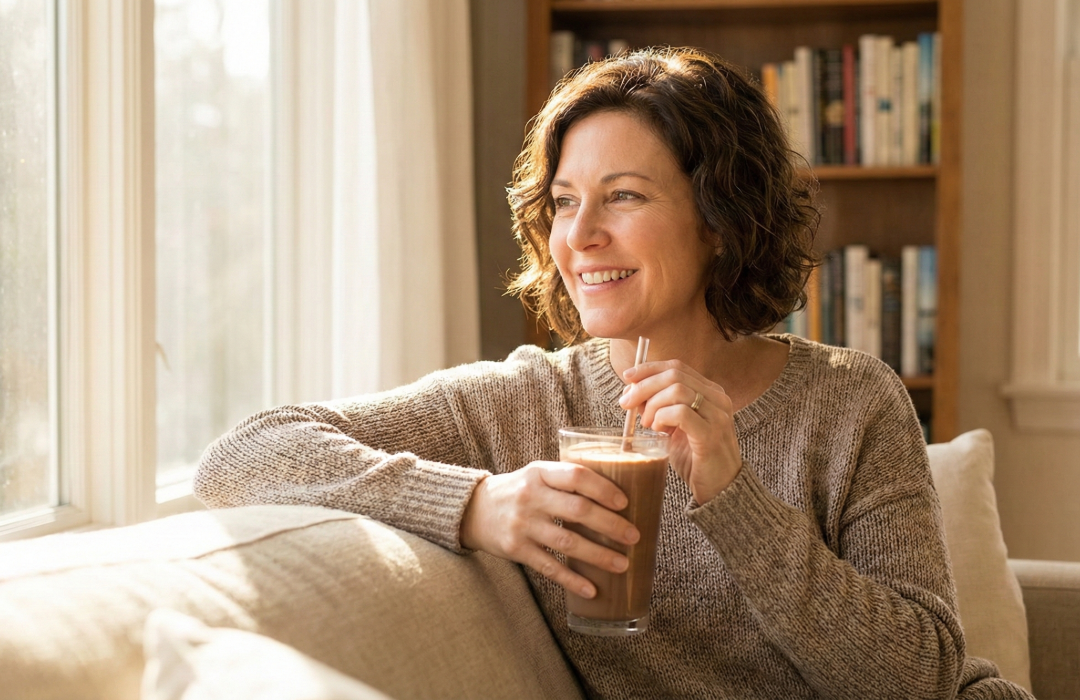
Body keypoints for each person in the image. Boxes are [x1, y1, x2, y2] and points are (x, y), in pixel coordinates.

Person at [195, 47, 1031, 699]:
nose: (580, 236)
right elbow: (244, 456)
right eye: (563, 201)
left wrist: (735, 500)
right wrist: (477, 505)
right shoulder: (532, 400)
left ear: (718, 221)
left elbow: (920, 678)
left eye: (623, 196)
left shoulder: (850, 401)